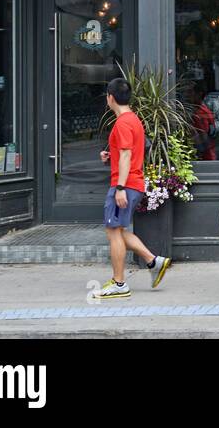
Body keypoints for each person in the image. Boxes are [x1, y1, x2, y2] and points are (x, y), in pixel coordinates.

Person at [92, 77, 172, 299]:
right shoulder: (133, 119)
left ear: (110, 97)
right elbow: (131, 150)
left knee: (113, 232)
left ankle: (119, 284)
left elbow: (127, 154)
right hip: (132, 182)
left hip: (125, 184)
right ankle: (153, 261)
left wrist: (119, 187)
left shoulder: (123, 122)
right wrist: (112, 156)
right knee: (116, 230)